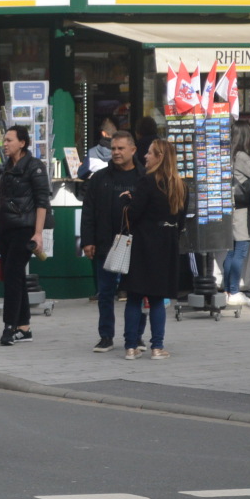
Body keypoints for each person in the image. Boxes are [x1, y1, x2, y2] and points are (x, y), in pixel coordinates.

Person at [120, 138, 185, 360]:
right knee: (157, 298)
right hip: (167, 244)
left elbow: (135, 213)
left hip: (144, 244)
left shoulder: (147, 182)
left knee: (134, 297)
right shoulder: (180, 184)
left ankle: (130, 346)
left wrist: (129, 203)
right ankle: (157, 347)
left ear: (159, 157)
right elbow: (181, 220)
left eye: (150, 153)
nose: (145, 156)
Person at [80, 131, 144, 352]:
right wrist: (88, 241)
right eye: (113, 148)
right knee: (105, 292)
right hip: (106, 243)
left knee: (137, 291)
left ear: (133, 150)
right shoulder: (100, 178)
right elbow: (88, 211)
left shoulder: (143, 177)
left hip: (137, 244)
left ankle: (137, 336)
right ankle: (106, 335)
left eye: (120, 148)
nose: (115, 153)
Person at [0, 125, 50, 346]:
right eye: (4, 140)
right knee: (13, 276)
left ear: (22, 143)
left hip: (24, 229)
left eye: (9, 140)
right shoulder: (7, 166)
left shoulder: (34, 167)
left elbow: (42, 202)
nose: (5, 144)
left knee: (13, 275)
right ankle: (24, 327)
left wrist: (38, 233)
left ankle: (10, 326)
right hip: (5, 228)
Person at [225, 120, 250, 306]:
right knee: (241, 250)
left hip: (230, 208)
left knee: (231, 252)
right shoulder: (242, 157)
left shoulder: (229, 155)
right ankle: (234, 291)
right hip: (241, 209)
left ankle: (228, 289)